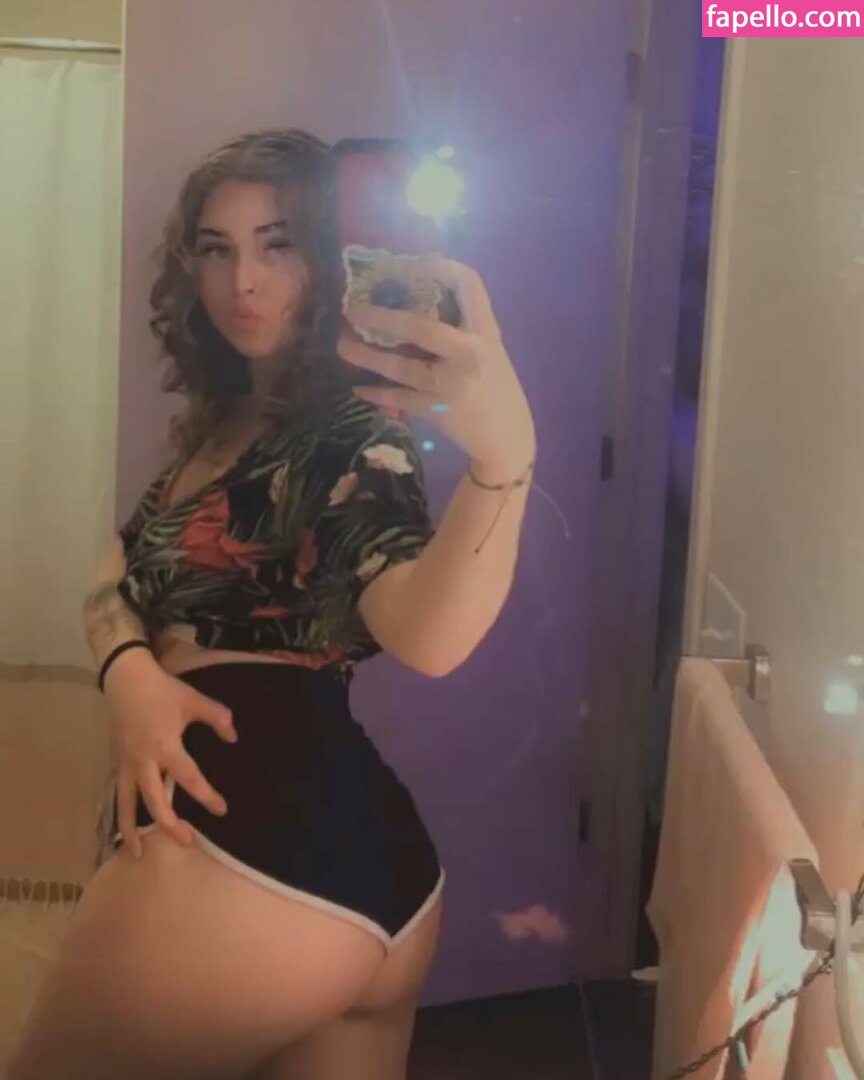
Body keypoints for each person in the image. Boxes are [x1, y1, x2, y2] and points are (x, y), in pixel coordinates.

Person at [8, 129, 536, 1080]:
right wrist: (128, 672)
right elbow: (109, 573)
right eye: (217, 249)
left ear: (329, 257)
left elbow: (428, 635)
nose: (242, 281)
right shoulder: (220, 426)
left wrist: (504, 465)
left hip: (246, 847)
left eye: (277, 244)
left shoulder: (352, 433)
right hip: (360, 868)